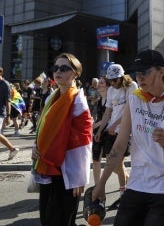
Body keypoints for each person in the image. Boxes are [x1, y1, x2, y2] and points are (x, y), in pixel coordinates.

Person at [92, 49, 164, 226]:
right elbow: (119, 146)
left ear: (162, 72)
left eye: (145, 72)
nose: (139, 77)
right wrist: (101, 184)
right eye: (136, 73)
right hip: (138, 183)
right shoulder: (135, 100)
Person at [31, 53, 92, 226]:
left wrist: (79, 177)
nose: (58, 72)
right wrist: (36, 147)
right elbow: (42, 127)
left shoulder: (78, 100)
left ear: (75, 73)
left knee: (61, 221)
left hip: (67, 172)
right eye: (55, 68)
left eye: (64, 68)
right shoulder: (53, 96)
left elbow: (84, 141)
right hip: (47, 165)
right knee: (47, 219)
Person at [94, 64, 137, 205]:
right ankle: (128, 182)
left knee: (118, 162)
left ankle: (123, 193)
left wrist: (114, 124)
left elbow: (129, 110)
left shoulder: (131, 86)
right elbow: (107, 112)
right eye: (110, 80)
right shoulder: (111, 90)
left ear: (122, 77)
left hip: (125, 130)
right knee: (111, 162)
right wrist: (100, 130)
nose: (112, 83)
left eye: (115, 80)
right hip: (111, 130)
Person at [92, 75, 110, 184]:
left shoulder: (111, 99)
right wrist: (94, 122)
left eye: (102, 83)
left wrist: (98, 123)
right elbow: (98, 116)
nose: (98, 84)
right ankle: (97, 185)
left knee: (113, 164)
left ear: (108, 86)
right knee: (95, 159)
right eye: (99, 82)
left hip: (108, 132)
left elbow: (112, 117)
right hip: (97, 131)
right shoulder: (99, 100)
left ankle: (124, 178)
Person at [0, 67, 19, 159]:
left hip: (0, 112)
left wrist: (8, 116)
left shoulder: (5, 84)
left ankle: (12, 149)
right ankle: (12, 149)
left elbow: (8, 101)